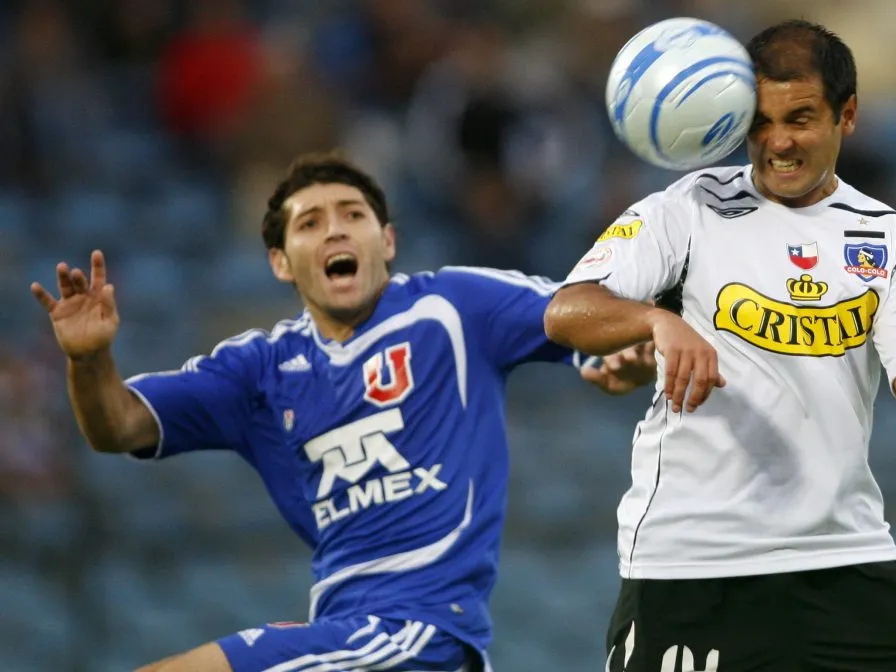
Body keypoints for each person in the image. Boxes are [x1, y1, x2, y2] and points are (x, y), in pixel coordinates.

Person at [30, 153, 656, 672]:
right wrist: (90, 360)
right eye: (310, 223)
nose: (334, 231)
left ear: (387, 241)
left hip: (420, 636)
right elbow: (119, 426)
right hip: (347, 637)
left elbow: (578, 317)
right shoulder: (258, 369)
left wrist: (624, 352)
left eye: (352, 215)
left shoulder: (452, 308)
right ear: (280, 261)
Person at [544, 19, 896, 672]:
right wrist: (656, 322)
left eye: (801, 118)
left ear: (847, 114)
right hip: (694, 564)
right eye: (760, 122)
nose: (779, 142)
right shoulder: (686, 210)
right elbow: (565, 312)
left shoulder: (889, 238)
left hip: (844, 558)